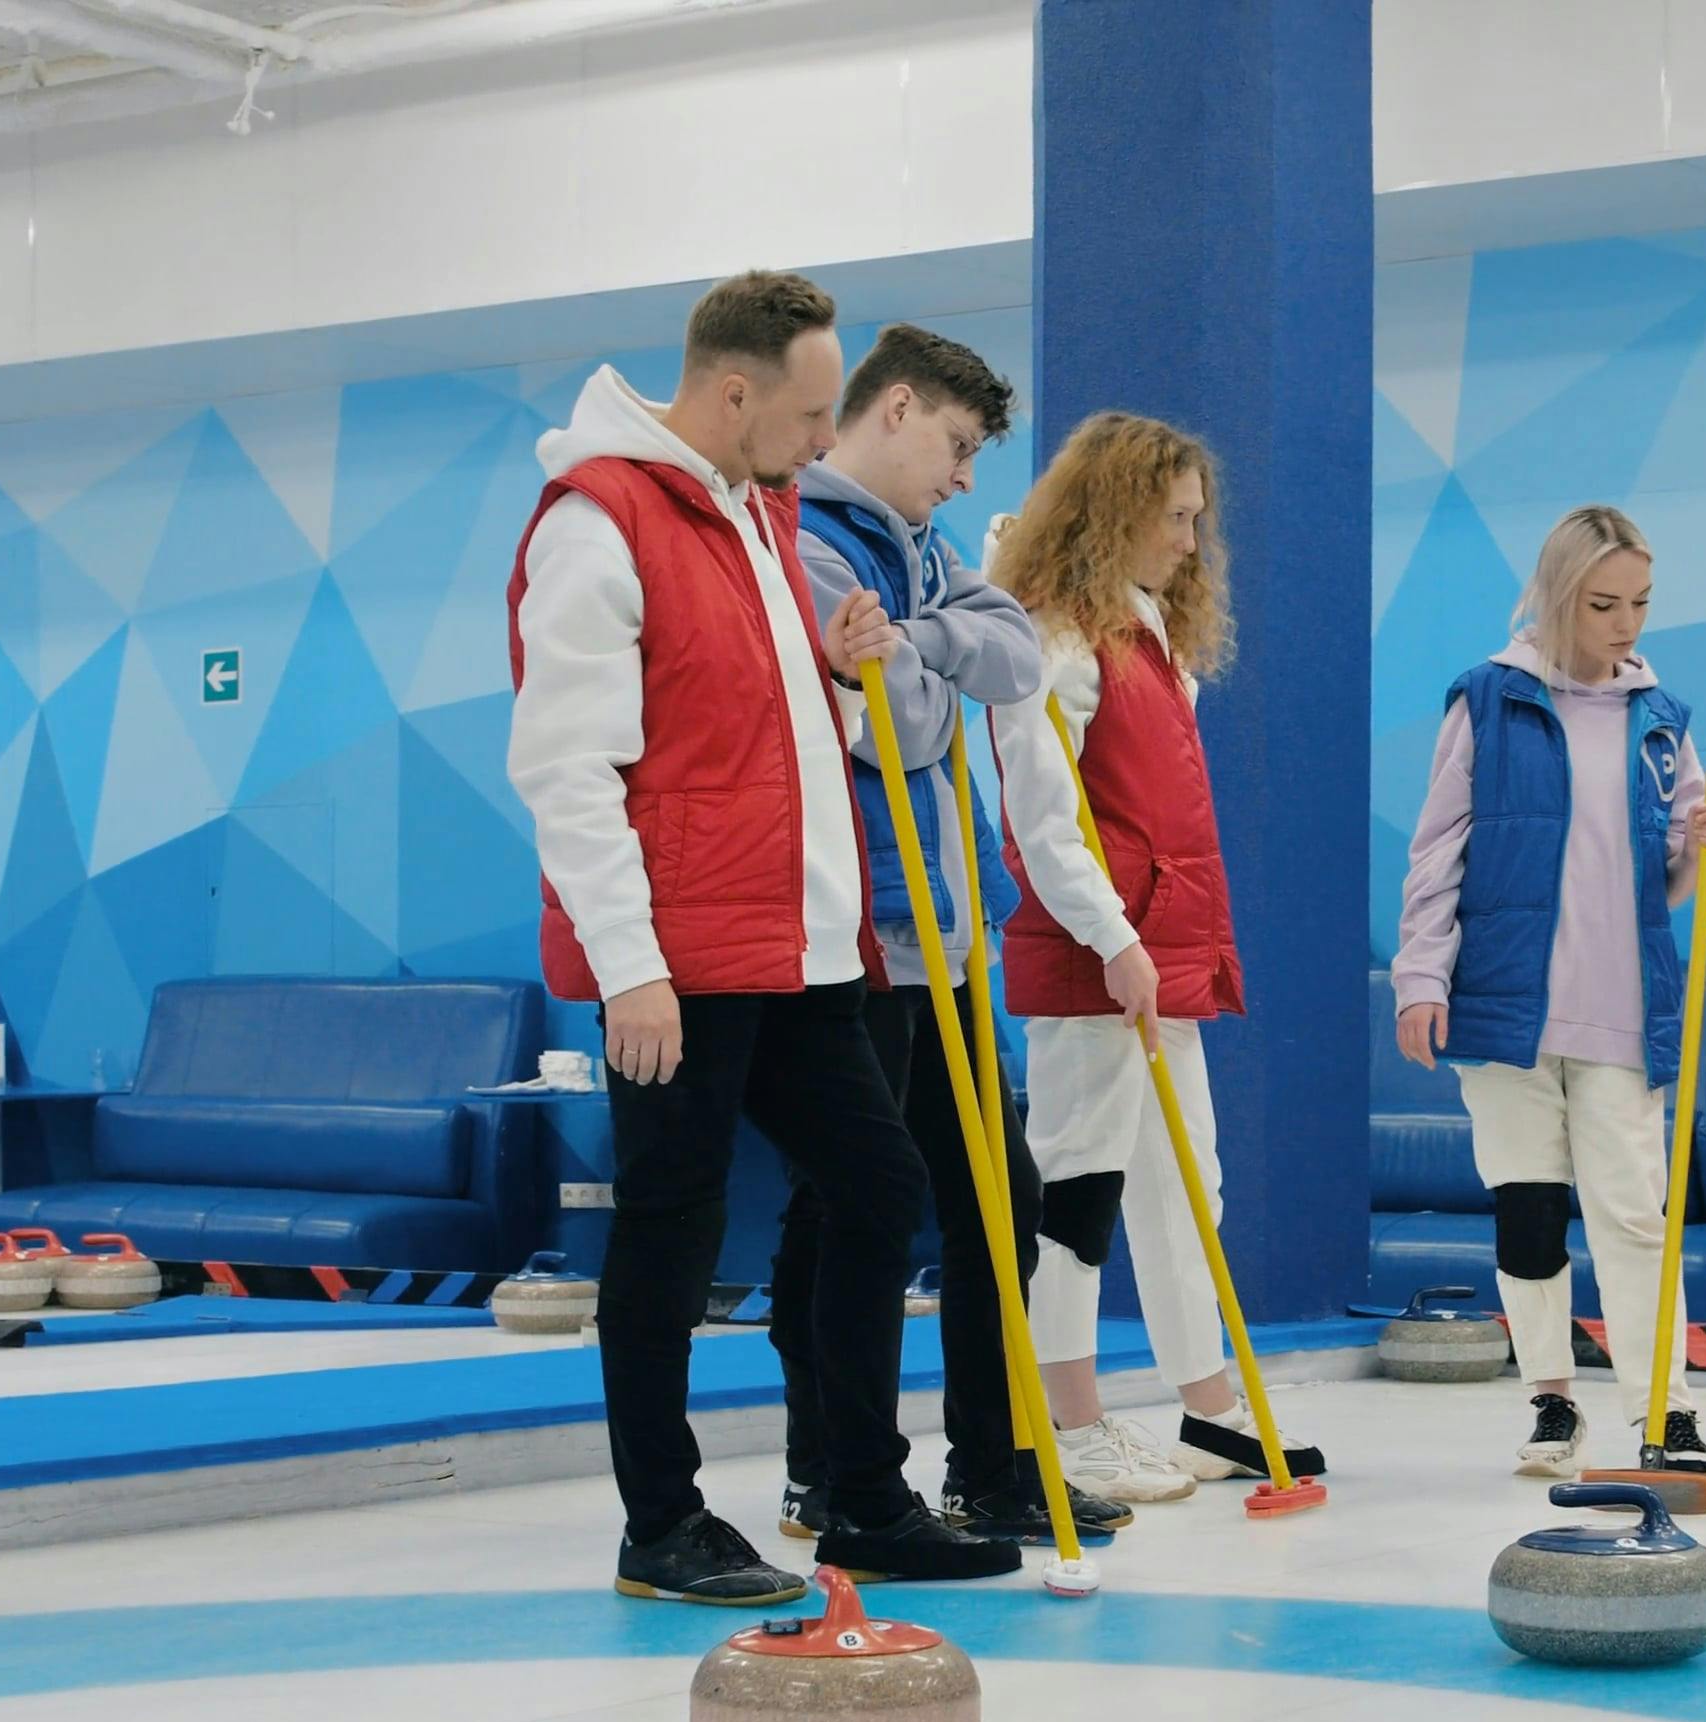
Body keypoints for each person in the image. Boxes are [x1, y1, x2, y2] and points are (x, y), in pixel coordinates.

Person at [505, 270, 1019, 1601]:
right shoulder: (598, 523)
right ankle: (659, 1520)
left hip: (798, 945)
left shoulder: (761, 511)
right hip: (677, 956)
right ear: (733, 392)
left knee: (883, 1186)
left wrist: (852, 670)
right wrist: (629, 967)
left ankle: (859, 1495)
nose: (818, 436)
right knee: (672, 1232)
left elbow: (783, 734)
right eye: (804, 412)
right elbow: (568, 767)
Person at [768, 325, 1174, 1543]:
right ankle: (836, 1473)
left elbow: (1003, 662)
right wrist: (918, 670)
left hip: (940, 938)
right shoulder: (805, 543)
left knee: (996, 1194)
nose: (964, 479)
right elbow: (874, 716)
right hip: (855, 938)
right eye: (955, 445)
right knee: (853, 1213)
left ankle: (989, 1465)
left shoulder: (924, 553)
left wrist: (922, 645)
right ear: (894, 409)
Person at [986, 413, 1320, 1490]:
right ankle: (1067, 1421)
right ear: (1118, 511)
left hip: (1155, 949)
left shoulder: (1149, 635)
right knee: (1080, 1186)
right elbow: (1042, 818)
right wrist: (1114, 936)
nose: (1190, 541)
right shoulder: (1057, 637)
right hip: (1096, 957)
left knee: (1186, 1180)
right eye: (1174, 518)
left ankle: (1208, 1404)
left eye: (1194, 520)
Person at [1390, 505, 1706, 1480]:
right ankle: (1550, 1402)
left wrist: (1694, 848)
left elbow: (1660, 876)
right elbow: (1437, 852)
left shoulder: (1662, 718)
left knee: (1633, 1215)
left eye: (1639, 603)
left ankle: (1665, 1413)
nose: (1626, 624)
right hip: (1505, 1006)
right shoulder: (1487, 700)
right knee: (1529, 1210)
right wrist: (1420, 976)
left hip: (1624, 1010)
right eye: (1602, 604)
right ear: (1557, 595)